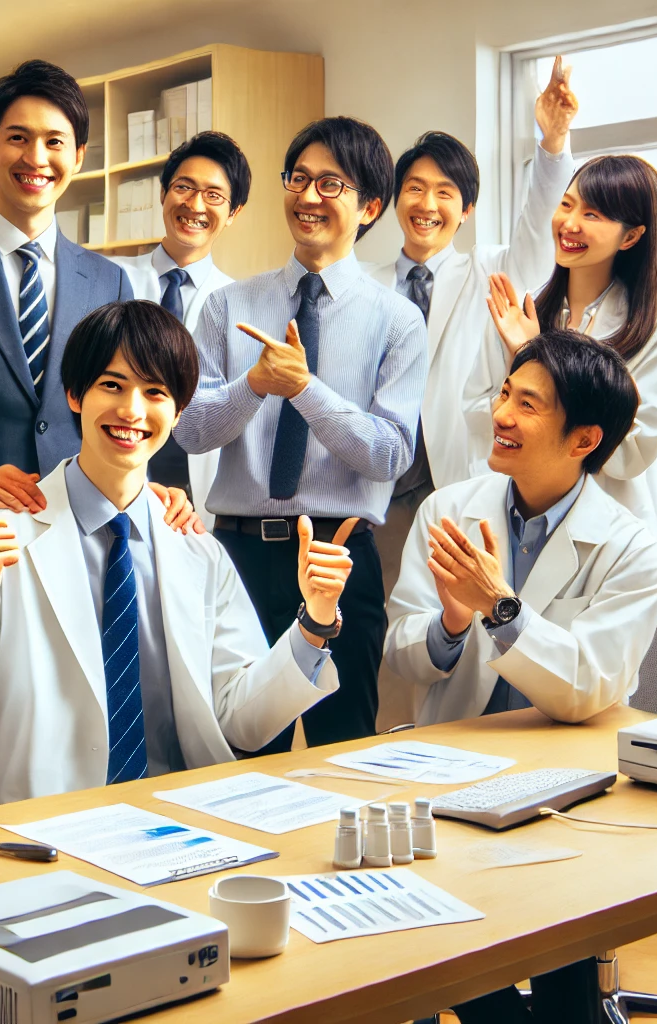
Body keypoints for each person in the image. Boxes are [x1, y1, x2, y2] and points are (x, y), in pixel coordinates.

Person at [0, 301, 356, 808]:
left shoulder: (198, 549)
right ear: (74, 395)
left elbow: (240, 721)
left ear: (178, 412)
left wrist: (314, 622)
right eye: (112, 385)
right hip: (42, 831)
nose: (132, 411)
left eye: (155, 392)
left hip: (179, 824)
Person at [386, 331, 657, 1024]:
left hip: (569, 791)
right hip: (454, 769)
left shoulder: (632, 549)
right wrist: (450, 625)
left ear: (583, 439)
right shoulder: (447, 512)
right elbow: (401, 654)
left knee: (559, 957)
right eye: (505, 393)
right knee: (429, 947)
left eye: (528, 404)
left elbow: (588, 687)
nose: (501, 414)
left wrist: (500, 607)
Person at [0, 59, 196, 586]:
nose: (36, 158)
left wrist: (148, 486)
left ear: (77, 157)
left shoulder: (109, 281)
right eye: (18, 138)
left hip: (78, 535)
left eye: (55, 142)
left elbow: (120, 404)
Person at [175, 116, 428, 751]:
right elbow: (192, 431)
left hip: (338, 561)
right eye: (299, 178)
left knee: (343, 754)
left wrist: (304, 389)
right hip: (237, 558)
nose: (308, 196)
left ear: (370, 205)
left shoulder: (399, 321)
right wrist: (255, 384)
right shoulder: (228, 306)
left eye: (331, 184)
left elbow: (390, 455)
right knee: (231, 748)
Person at [368, 57, 579, 594]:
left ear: (466, 209)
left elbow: (538, 226)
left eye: (445, 192)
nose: (427, 204)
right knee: (382, 648)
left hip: (456, 486)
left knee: (456, 642)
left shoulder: (491, 271)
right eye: (414, 188)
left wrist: (551, 144)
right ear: (396, 199)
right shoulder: (363, 284)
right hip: (373, 497)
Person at [478, 153, 657, 541]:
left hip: (607, 530)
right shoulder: (524, 311)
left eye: (592, 215)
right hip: (519, 516)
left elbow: (630, 452)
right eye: (567, 204)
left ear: (631, 236)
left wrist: (533, 357)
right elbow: (479, 414)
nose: (569, 224)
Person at [111, 129, 252, 524]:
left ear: (234, 212)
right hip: (114, 480)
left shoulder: (242, 306)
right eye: (183, 187)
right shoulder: (110, 279)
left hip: (197, 500)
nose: (195, 205)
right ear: (162, 194)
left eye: (214, 195)